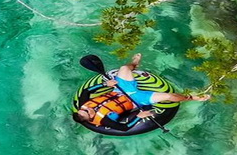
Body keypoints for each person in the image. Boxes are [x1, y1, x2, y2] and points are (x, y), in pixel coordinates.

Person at [76, 52, 210, 128]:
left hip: (118, 90)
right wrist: (137, 117)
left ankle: (134, 64)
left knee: (124, 68)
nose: (88, 109)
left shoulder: (83, 105)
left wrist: (105, 85)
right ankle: (192, 98)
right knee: (170, 96)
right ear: (89, 118)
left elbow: (86, 92)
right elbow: (123, 128)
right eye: (88, 112)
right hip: (137, 100)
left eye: (85, 109)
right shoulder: (103, 121)